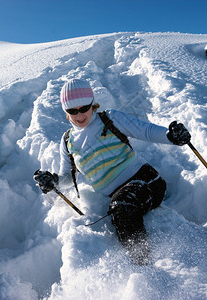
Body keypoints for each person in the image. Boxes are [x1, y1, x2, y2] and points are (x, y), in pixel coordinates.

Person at [33, 78, 191, 265]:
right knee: (121, 204)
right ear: (65, 112)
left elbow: (146, 131)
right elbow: (68, 177)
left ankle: (143, 265)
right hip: (118, 194)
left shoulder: (109, 119)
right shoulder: (67, 141)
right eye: (72, 111)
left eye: (84, 108)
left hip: (146, 181)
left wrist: (171, 136)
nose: (79, 114)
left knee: (122, 206)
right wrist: (53, 181)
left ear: (92, 104)